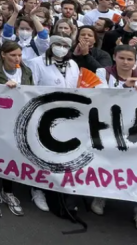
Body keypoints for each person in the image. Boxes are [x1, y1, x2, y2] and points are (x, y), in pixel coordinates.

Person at [91, 44, 137, 233]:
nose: (126, 63)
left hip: (134, 129)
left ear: (135, 62)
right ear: (115, 57)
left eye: (130, 59)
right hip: (107, 126)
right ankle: (101, 195)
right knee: (109, 161)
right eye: (122, 58)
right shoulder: (103, 72)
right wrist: (122, 87)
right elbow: (98, 93)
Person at [26, 35, 81, 212]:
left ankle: (55, 189)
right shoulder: (36, 63)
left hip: (65, 115)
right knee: (40, 152)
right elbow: (30, 88)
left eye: (65, 46)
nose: (61, 48)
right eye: (58, 44)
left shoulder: (73, 64)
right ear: (50, 45)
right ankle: (37, 188)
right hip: (42, 113)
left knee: (58, 153)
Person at [0, 41, 31, 217]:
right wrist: (2, 89)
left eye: (19, 55)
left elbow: (31, 93)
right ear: (3, 54)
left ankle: (8, 191)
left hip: (16, 122)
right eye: (13, 55)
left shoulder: (26, 71)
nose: (17, 59)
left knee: (11, 157)